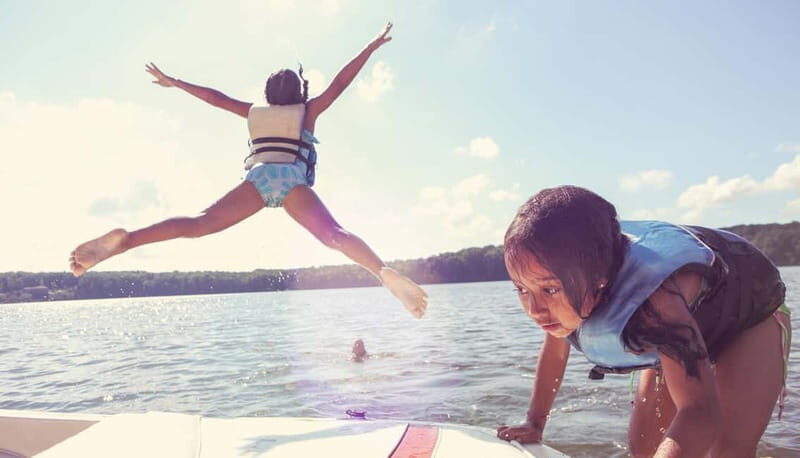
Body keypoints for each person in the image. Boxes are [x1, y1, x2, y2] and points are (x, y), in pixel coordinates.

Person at [68, 22, 427, 319]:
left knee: (198, 223)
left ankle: (127, 240)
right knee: (333, 234)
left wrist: (174, 82)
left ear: (268, 95)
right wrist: (370, 47)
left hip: (259, 179)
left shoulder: (255, 112)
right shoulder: (308, 111)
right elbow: (340, 83)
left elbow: (214, 97)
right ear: (299, 92)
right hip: (291, 181)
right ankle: (382, 272)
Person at [496, 185, 790, 457]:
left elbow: (699, 411)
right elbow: (555, 351)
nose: (535, 309)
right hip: (678, 335)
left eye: (549, 289)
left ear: (599, 277)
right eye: (522, 289)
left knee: (727, 447)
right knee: (645, 446)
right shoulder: (569, 294)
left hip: (746, 315)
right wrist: (535, 421)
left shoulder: (654, 304)